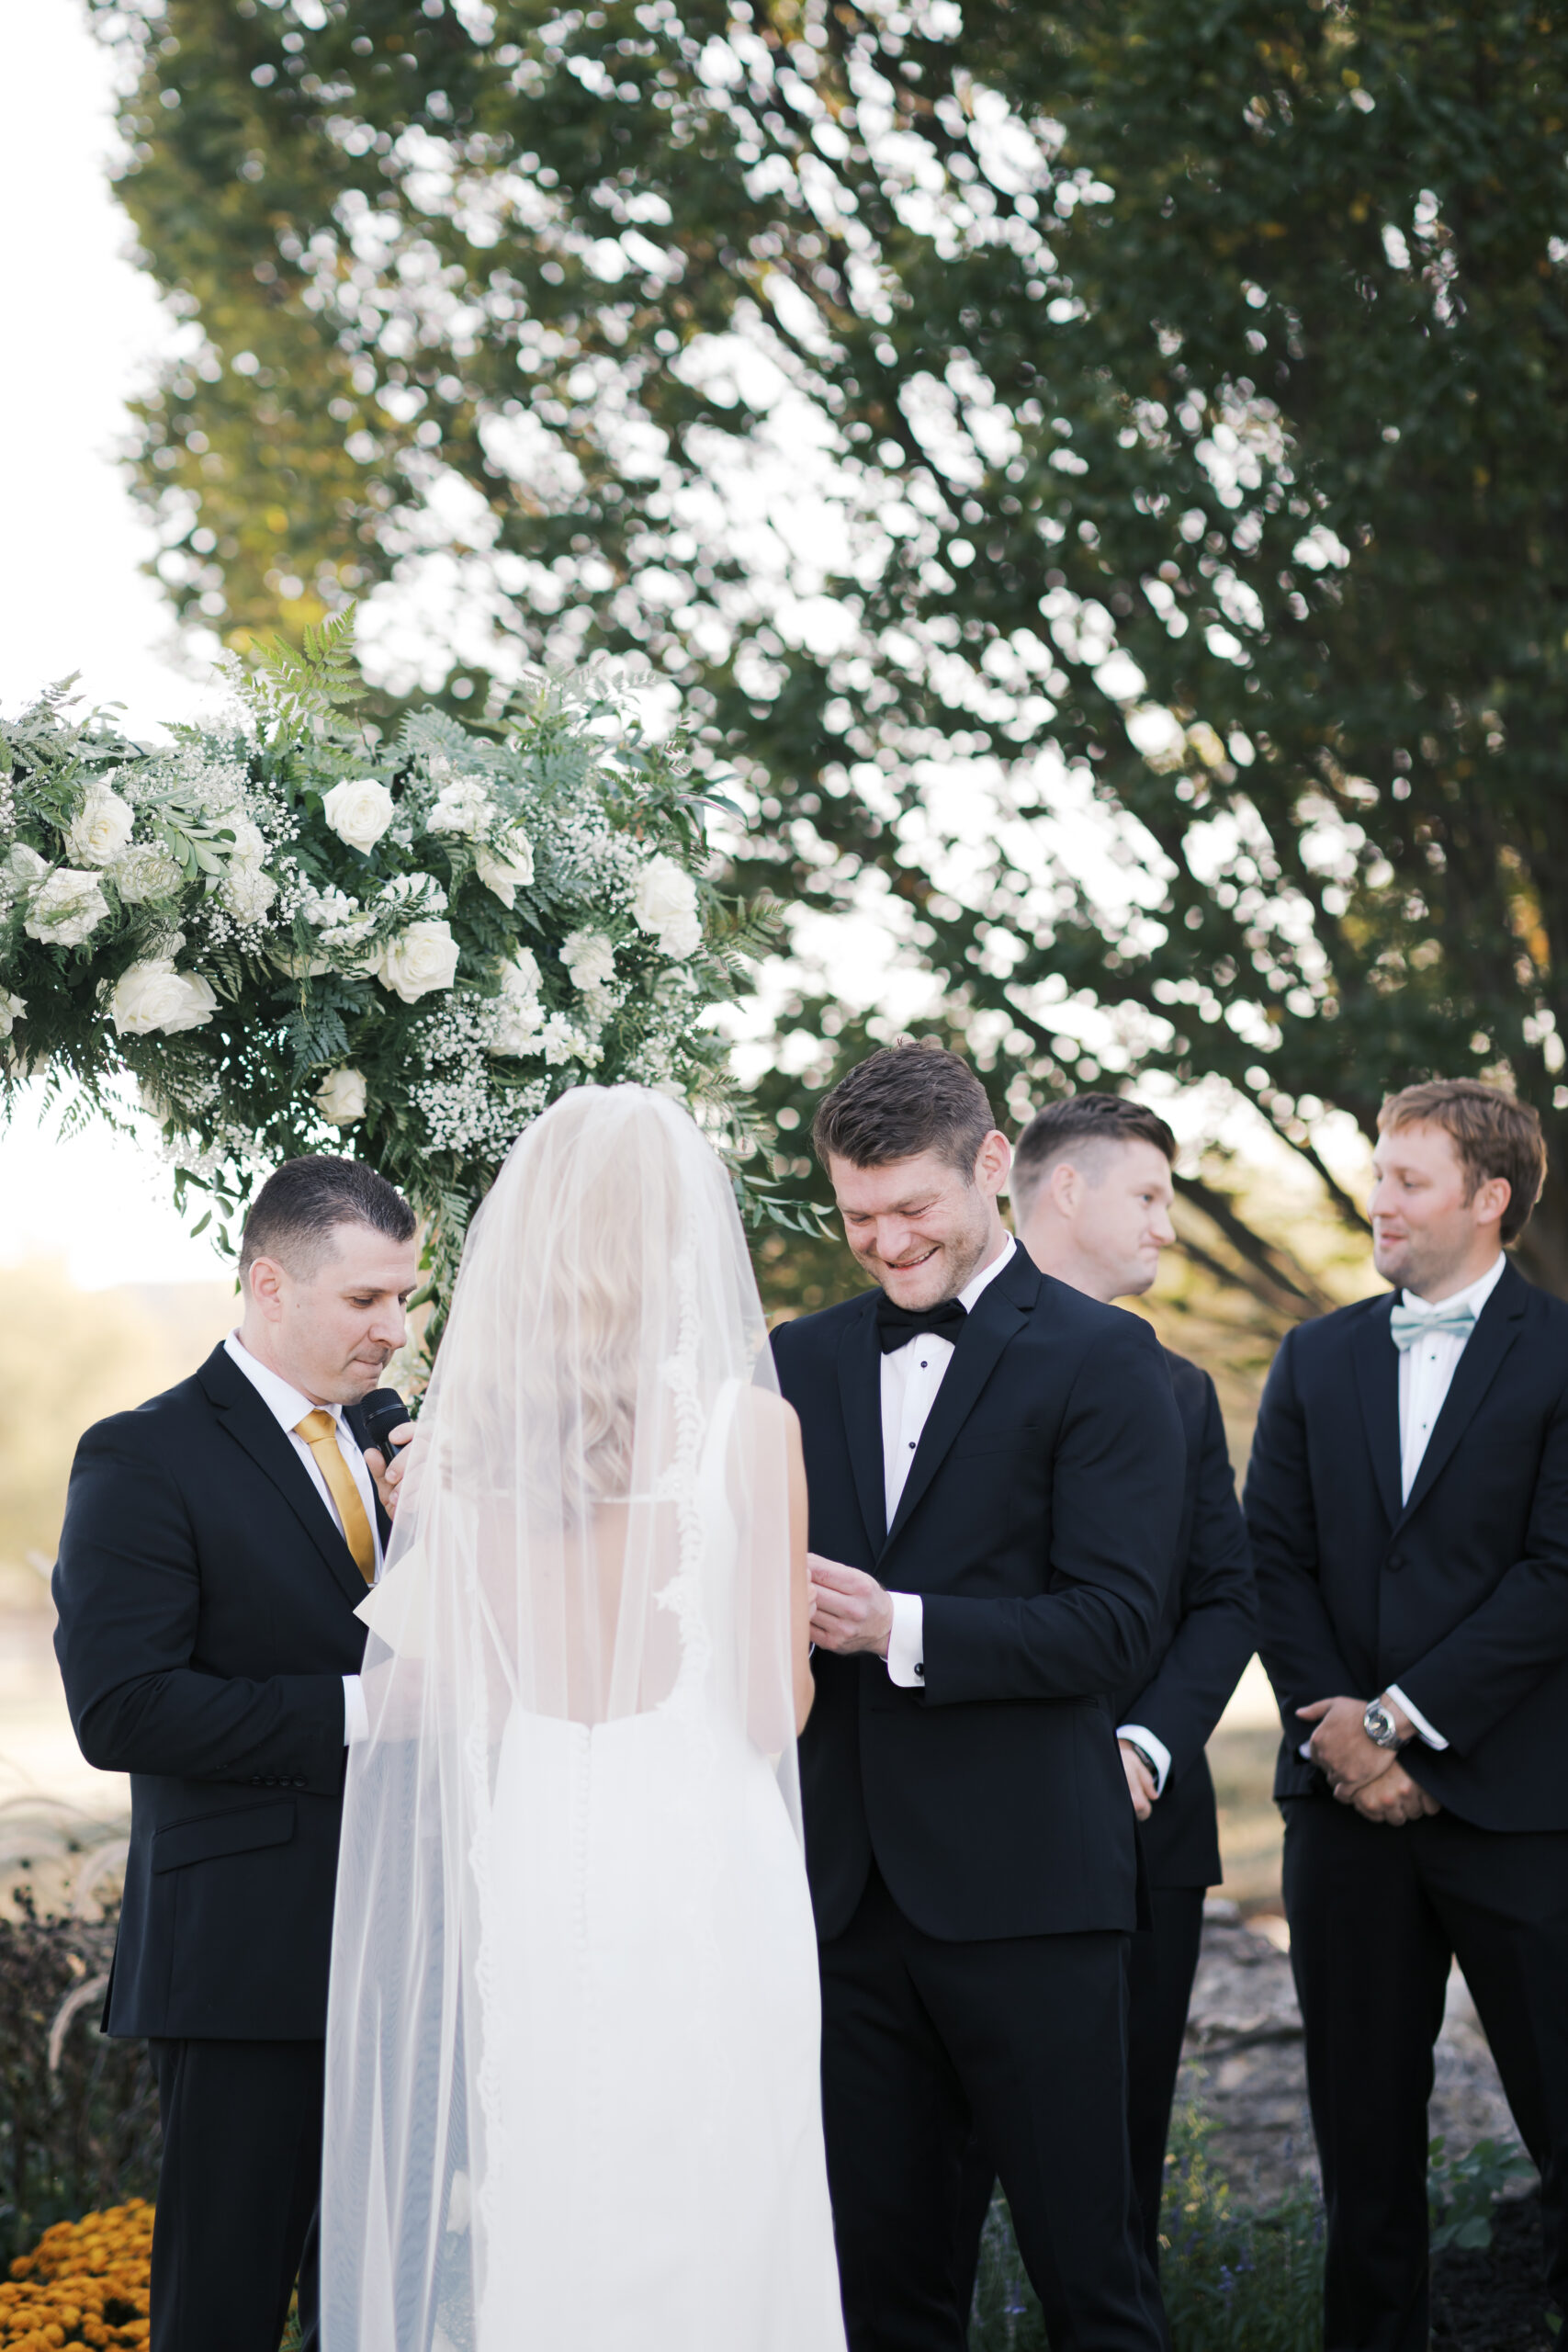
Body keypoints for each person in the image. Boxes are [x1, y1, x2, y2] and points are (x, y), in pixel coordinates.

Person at [320, 1086, 844, 2352]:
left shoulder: (459, 1450)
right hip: (707, 1842)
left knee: (555, 2172)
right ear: (679, 1240)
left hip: (546, 1837)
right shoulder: (750, 1433)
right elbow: (778, 1710)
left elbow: (460, 1691)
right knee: (724, 2169)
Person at [771, 1041, 1187, 2352]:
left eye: (914, 1211)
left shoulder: (1109, 1361)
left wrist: (901, 1627)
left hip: (1035, 1903)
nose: (887, 1246)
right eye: (858, 1218)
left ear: (992, 1165)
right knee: (886, 2300)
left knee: (1093, 2285)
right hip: (845, 1906)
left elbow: (1116, 1621)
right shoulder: (797, 1361)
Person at [52, 1156, 420, 2352]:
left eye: (404, 1298)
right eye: (368, 1301)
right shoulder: (142, 1455)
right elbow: (125, 1710)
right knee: (223, 2309)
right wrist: (367, 1713)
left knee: (383, 2314)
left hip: (407, 1954)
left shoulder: (399, 1441)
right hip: (246, 1962)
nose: (396, 1330)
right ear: (270, 1283)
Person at [1246, 1078, 1568, 2352]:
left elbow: (1558, 1574)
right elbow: (1274, 1557)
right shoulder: (1314, 1355)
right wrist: (1348, 1740)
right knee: (1362, 2153)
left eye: (1407, 1180)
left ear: (1488, 1199)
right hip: (1341, 1812)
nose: (1379, 1198)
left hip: (1517, 1802)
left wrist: (1405, 1725)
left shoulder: (1564, 1355)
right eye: (1378, 1174)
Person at [952, 1093, 1256, 2316]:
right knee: (919, 2202)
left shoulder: (1176, 1391)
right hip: (946, 1846)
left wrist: (1139, 1741)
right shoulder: (912, 1362)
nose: (1169, 1231)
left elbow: (1223, 1601)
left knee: (1114, 2201)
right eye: (1150, 1197)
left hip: (1137, 1844)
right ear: (1063, 1191)